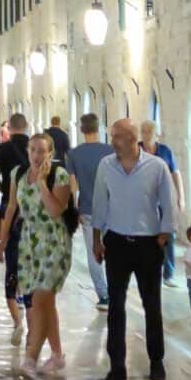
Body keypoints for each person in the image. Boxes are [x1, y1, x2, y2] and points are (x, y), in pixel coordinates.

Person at [92, 117, 175, 380]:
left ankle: (156, 361)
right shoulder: (106, 166)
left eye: (116, 136)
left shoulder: (156, 166)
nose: (112, 141)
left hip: (148, 244)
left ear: (131, 138)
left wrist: (163, 235)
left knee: (152, 305)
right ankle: (117, 369)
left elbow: (168, 202)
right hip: (116, 241)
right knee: (115, 307)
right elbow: (99, 202)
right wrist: (96, 238)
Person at [0, 132, 71, 380]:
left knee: (39, 300)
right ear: (27, 151)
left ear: (50, 153)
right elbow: (11, 207)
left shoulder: (59, 176)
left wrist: (41, 183)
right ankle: (58, 355)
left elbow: (55, 210)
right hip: (28, 243)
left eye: (42, 151)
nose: (37, 155)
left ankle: (30, 360)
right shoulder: (17, 174)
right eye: (33, 150)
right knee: (45, 302)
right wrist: (3, 239)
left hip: (53, 243)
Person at [66, 113, 113, 310]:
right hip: (111, 209)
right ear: (99, 127)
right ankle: (115, 291)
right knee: (113, 250)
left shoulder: (74, 154)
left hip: (87, 209)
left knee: (93, 252)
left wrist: (73, 209)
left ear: (82, 129)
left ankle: (103, 295)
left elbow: (73, 186)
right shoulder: (110, 151)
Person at [0, 115, 32, 339]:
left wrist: (5, 187)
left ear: (9, 127)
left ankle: (16, 313)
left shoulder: (1, 150)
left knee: (12, 254)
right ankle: (27, 296)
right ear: (25, 127)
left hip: (10, 204)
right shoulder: (35, 148)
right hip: (32, 207)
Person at [139, 121, 183, 282]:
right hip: (143, 201)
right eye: (143, 131)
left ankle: (169, 273)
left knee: (168, 234)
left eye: (149, 131)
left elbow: (175, 174)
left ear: (156, 133)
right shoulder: (136, 150)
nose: (146, 134)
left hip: (165, 199)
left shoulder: (165, 151)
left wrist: (181, 198)